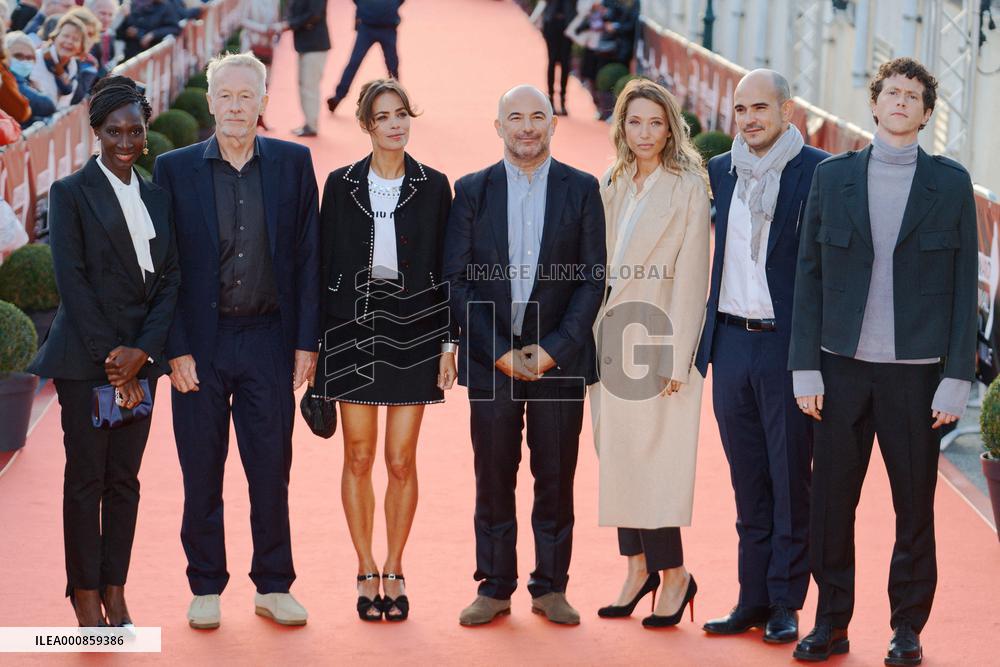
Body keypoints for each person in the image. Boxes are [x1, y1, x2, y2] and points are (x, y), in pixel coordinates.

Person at [789, 57, 977, 665]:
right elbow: (808, 277)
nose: (900, 101)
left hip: (916, 375)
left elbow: (963, 287)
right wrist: (804, 366)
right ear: (874, 104)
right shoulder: (833, 177)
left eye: (913, 95)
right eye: (891, 91)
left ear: (926, 114)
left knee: (913, 508)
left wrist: (957, 377)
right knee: (830, 504)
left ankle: (907, 630)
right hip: (839, 368)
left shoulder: (950, 184)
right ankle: (831, 622)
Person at [153, 52, 320, 630]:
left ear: (263, 102)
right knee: (201, 470)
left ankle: (274, 585)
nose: (234, 106)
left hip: (269, 339)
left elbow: (308, 255)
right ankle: (205, 586)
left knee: (271, 470)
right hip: (200, 345)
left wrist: (307, 341)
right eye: (224, 95)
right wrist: (175, 347)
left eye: (246, 96)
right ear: (209, 101)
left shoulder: (293, 163)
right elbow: (164, 267)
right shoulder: (174, 169)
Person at [443, 84, 606, 627]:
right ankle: (494, 586)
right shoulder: (472, 190)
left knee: (555, 476)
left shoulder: (582, 188)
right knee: (493, 475)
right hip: (492, 362)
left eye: (538, 116)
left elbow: (593, 279)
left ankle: (551, 586)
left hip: (560, 361)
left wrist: (555, 350)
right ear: (499, 127)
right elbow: (456, 280)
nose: (528, 127)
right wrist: (498, 352)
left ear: (553, 124)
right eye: (516, 117)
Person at [26, 75, 180, 628]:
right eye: (114, 131)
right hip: (86, 362)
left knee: (125, 482)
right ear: (96, 131)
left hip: (141, 362)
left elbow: (171, 279)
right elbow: (72, 283)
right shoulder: (70, 193)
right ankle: (86, 594)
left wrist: (142, 353)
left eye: (135, 131)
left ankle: (116, 589)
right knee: (86, 480)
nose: (125, 142)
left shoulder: (157, 195)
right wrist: (116, 361)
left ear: (146, 131)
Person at [695, 69, 828, 645]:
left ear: (786, 110)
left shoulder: (818, 172)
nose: (749, 119)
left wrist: (816, 357)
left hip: (785, 346)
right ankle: (751, 597)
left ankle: (785, 602)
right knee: (747, 479)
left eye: (760, 108)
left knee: (790, 479)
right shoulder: (720, 171)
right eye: (741, 109)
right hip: (730, 343)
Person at [317, 78, 456, 622]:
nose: (395, 124)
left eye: (401, 114)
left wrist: (448, 342)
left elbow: (449, 270)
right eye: (383, 117)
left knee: (401, 459)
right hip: (352, 328)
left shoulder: (434, 185)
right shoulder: (341, 184)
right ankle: (364, 566)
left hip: (415, 329)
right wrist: (317, 345)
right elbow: (323, 263)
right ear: (366, 125)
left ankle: (394, 567)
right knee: (357, 455)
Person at [591, 78, 709, 627]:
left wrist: (677, 356)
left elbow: (692, 274)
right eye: (634, 122)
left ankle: (675, 574)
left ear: (670, 130)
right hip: (609, 339)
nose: (644, 133)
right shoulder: (612, 181)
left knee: (655, 461)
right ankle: (637, 568)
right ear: (622, 126)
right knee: (617, 457)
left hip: (656, 338)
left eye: (655, 123)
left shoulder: (688, 187)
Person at [326, 0, 403, 114]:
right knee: (354, 62)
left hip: (387, 27)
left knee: (392, 64)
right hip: (367, 27)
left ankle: (397, 99)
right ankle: (338, 97)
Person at [281, 0, 329, 137]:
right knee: (304, 85)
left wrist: (291, 24)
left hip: (315, 45)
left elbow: (315, 14)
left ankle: (311, 125)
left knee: (310, 86)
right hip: (305, 44)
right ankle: (309, 123)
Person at [30, 13, 93, 109]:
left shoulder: (73, 69)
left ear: (81, 47)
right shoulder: (36, 58)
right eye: (65, 36)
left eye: (75, 39)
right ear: (55, 37)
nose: (69, 42)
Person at [530, 0, 575, 116]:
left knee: (565, 63)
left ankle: (563, 100)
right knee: (552, 61)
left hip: (568, 25)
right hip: (551, 23)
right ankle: (550, 99)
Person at [5, 30, 56, 125]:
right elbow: (48, 105)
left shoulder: (28, 81)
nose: (24, 61)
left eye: (29, 58)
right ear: (5, 56)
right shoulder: (6, 79)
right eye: (18, 56)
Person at [115, 0, 184, 62]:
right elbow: (119, 33)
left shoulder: (166, 6)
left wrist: (153, 34)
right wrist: (127, 19)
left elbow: (174, 28)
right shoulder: (134, 4)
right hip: (132, 54)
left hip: (152, 57)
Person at [83, 0, 119, 76]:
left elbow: (110, 60)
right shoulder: (81, 35)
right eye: (102, 13)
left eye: (110, 15)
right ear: (90, 12)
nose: (106, 19)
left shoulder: (110, 34)